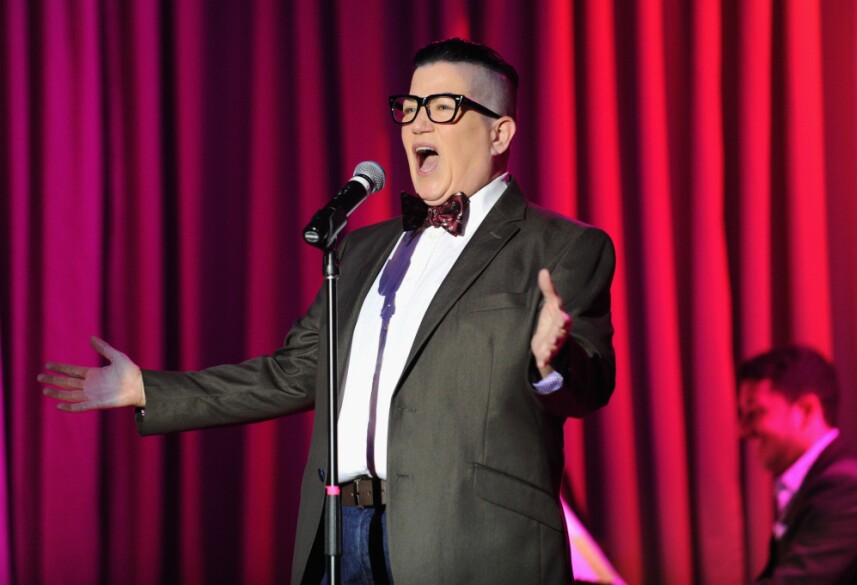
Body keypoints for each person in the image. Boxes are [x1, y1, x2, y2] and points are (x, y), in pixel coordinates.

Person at [38, 38, 616, 585]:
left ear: (499, 133)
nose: (417, 121)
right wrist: (148, 389)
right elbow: (292, 372)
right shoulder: (362, 250)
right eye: (410, 105)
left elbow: (588, 384)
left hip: (472, 541)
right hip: (340, 536)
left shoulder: (561, 246)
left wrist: (551, 362)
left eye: (443, 106)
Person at [737, 346, 857, 584]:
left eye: (754, 412)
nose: (742, 431)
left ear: (805, 410)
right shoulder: (819, 482)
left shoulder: (848, 490)